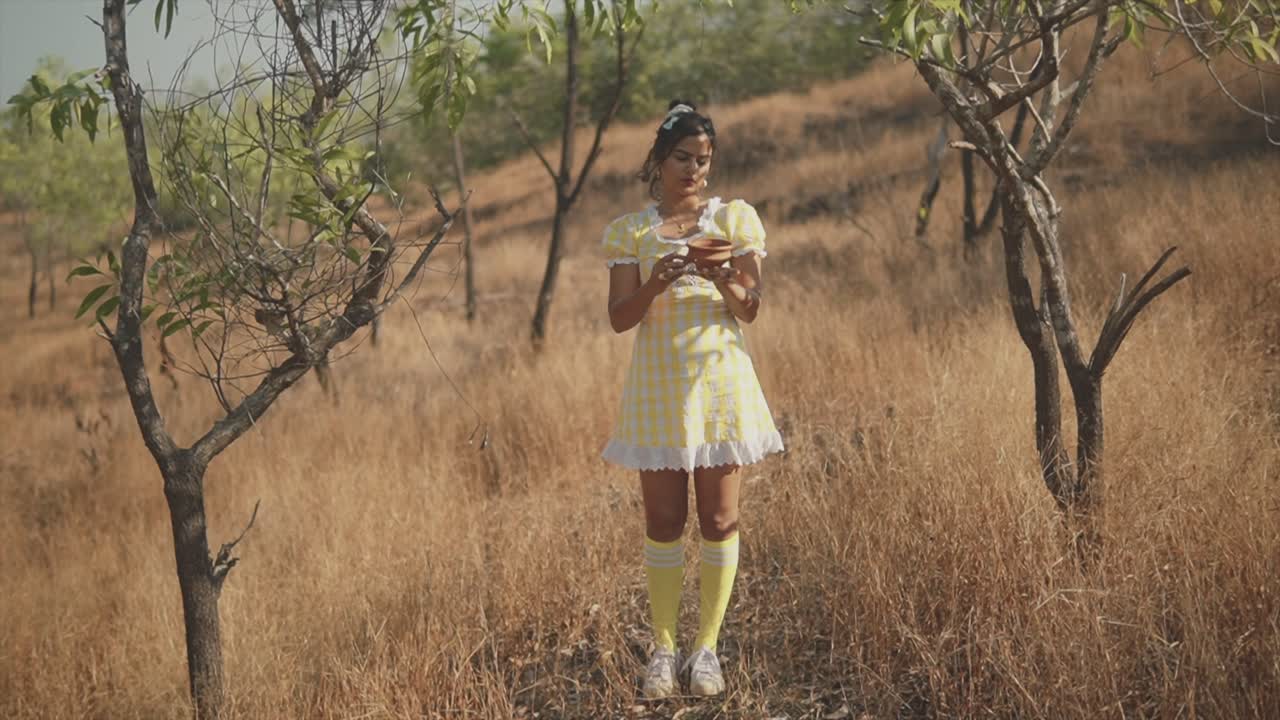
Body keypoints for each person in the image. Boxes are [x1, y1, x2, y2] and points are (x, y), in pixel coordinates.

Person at [601, 100, 784, 698]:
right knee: (663, 521)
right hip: (659, 387)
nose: (694, 171)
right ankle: (664, 649)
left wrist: (724, 278)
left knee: (720, 519)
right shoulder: (631, 231)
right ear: (659, 158)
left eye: (703, 160)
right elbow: (620, 318)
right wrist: (657, 281)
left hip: (721, 385)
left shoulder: (734, 219)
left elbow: (750, 309)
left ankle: (705, 649)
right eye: (682, 158)